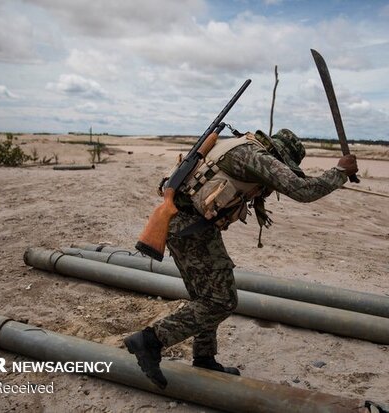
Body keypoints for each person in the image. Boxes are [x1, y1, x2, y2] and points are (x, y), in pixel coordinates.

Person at [124, 128, 358, 389]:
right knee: (222, 301)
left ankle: (204, 357)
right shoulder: (256, 156)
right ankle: (150, 340)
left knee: (205, 297)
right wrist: (340, 172)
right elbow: (302, 190)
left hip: (183, 226)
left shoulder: (234, 146)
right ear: (279, 155)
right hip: (190, 229)